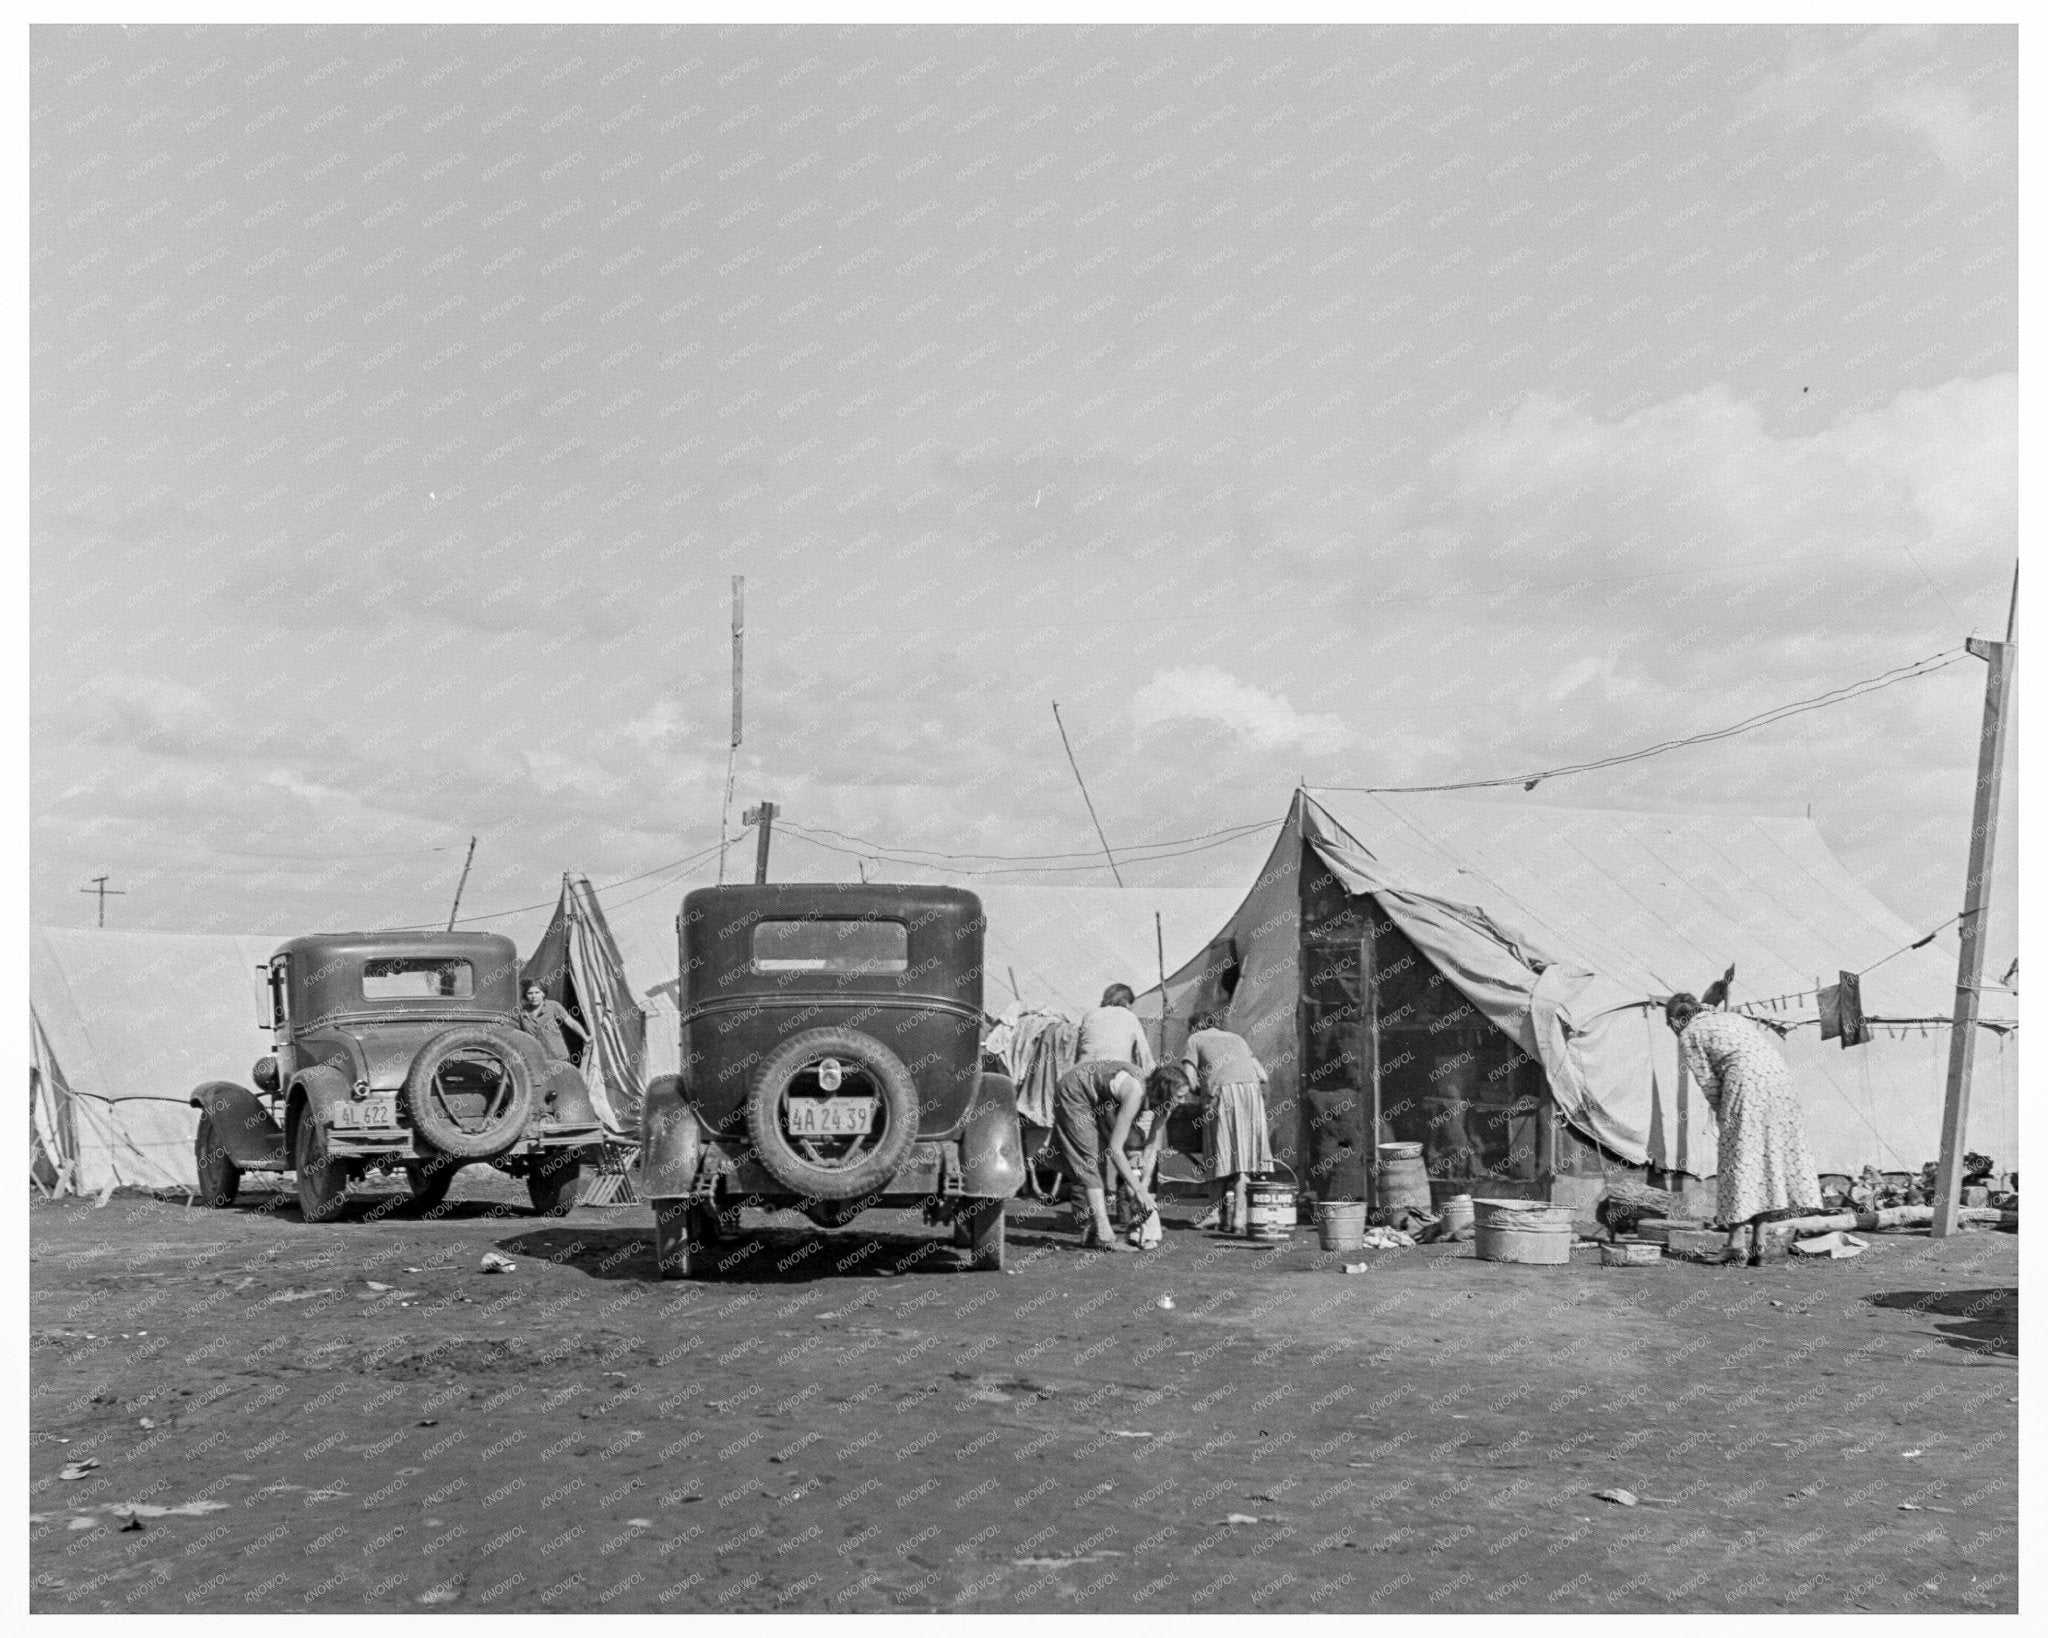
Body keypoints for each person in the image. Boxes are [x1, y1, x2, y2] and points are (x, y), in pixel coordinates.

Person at [1666, 993, 1821, 1248]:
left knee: (1736, 1161)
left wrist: (1722, 1115)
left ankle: (1736, 1245)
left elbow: (1709, 1083)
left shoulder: (1689, 1033)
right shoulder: (1730, 1018)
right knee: (1765, 1163)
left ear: (1676, 1019)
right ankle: (1759, 1243)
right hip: (1781, 1083)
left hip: (1746, 1085)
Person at [1051, 1059, 1185, 1251]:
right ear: (1165, 1091)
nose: (1184, 1101)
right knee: (1092, 1160)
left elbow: (1151, 1146)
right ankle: (1104, 1236)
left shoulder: (1166, 1103)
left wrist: (1144, 1187)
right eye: (1180, 1096)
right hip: (1075, 1091)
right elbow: (1115, 1149)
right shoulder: (1136, 1092)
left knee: (1107, 1160)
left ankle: (1091, 1231)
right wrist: (1138, 1191)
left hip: (1100, 1098)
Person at [1180, 1010, 1271, 1235]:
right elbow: (1263, 1075)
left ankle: (1216, 1214)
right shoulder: (1236, 1038)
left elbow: (1189, 1079)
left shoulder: (1195, 1039)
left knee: (1217, 1155)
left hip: (1222, 1094)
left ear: (1194, 1027)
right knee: (1245, 1157)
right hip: (1251, 1092)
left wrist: (1202, 1091)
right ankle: (1239, 1218)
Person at [1074, 984, 1155, 1071]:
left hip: (1084, 1069)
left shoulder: (1089, 1015)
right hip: (1116, 1070)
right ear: (1127, 1003)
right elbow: (1144, 1054)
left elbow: (1078, 1050)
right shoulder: (1129, 1016)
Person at [519, 981, 592, 1066]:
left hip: (557, 1056)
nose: (534, 996)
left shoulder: (553, 1006)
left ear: (543, 994)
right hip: (537, 1058)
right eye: (530, 993)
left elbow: (571, 1023)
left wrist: (585, 1037)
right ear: (526, 995)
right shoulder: (523, 1013)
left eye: (537, 992)